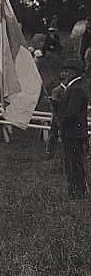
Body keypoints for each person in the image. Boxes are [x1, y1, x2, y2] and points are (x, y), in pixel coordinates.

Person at [56, 59, 89, 199]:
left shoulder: (76, 89)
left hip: (73, 133)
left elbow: (72, 113)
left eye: (68, 70)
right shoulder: (74, 87)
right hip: (73, 132)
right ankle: (76, 191)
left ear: (74, 72)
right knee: (73, 164)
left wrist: (61, 123)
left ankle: (78, 193)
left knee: (74, 165)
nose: (65, 73)